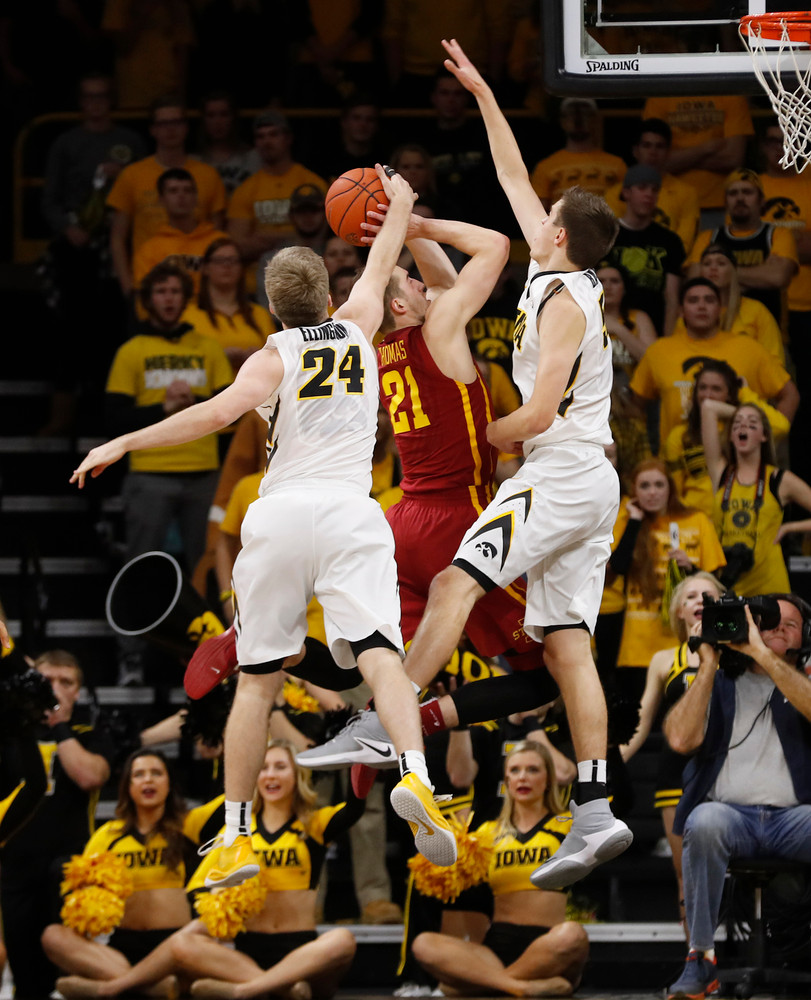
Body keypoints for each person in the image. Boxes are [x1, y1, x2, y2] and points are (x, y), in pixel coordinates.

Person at [70, 165, 457, 883]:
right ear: (327, 295)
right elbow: (381, 254)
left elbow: (212, 415)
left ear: (272, 309)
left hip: (278, 514)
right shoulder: (359, 321)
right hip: (351, 509)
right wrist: (397, 195)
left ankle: (239, 835)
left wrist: (122, 442)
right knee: (380, 658)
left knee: (256, 681)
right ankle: (417, 779)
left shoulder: (270, 356)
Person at [333, 37, 630, 892]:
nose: (530, 208)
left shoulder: (571, 299)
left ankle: (384, 728)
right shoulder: (549, 267)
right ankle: (598, 810)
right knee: (568, 646)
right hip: (574, 479)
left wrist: (475, 436)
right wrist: (483, 92)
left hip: (560, 469)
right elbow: (509, 173)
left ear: (560, 235)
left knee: (461, 580)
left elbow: (537, 416)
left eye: (545, 212)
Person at [663, 595, 811, 1000]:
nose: (780, 629)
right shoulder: (717, 680)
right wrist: (708, 664)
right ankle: (701, 960)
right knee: (704, 821)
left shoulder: (806, 678)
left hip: (796, 820)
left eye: (791, 625)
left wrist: (765, 657)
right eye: (771, 624)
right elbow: (680, 738)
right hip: (731, 818)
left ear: (806, 636)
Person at [176, 740, 362, 999]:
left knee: (343, 940)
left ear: (297, 776)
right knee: (184, 942)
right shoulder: (237, 834)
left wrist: (361, 751)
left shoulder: (315, 825)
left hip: (301, 952)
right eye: (263, 768)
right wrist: (221, 896)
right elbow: (200, 889)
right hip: (248, 952)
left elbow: (355, 808)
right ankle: (281, 988)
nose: (271, 774)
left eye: (280, 767)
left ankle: (245, 991)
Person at [411, 741, 589, 998]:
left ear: (549, 779)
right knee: (424, 944)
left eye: (533, 770)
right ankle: (520, 987)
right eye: (515, 770)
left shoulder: (568, 825)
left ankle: (481, 986)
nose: (523, 777)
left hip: (549, 945)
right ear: (506, 780)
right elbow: (450, 887)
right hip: (495, 949)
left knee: (574, 935)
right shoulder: (486, 834)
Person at [0, 650, 114, 999]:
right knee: (24, 968)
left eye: (66, 682)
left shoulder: (89, 734)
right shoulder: (12, 735)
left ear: (78, 692)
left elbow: (89, 776)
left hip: (69, 867)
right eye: (47, 680)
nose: (56, 688)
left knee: (66, 971)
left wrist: (58, 725)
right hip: (16, 865)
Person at [42, 749, 195, 998]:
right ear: (128, 786)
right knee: (53, 935)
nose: (148, 780)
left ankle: (120, 986)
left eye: (156, 773)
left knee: (193, 948)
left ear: (169, 784)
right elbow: (80, 898)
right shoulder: (108, 836)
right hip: (120, 948)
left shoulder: (190, 826)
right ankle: (148, 986)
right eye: (139, 775)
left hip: (174, 945)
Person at [619, 572, 725, 925]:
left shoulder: (740, 651)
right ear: (679, 611)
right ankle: (697, 968)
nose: (699, 602)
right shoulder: (665, 659)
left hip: (729, 771)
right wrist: (608, 764)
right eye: (690, 597)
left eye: (707, 595)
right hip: (676, 775)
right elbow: (641, 722)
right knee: (687, 878)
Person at [629, 277, 798, 453]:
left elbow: (790, 395)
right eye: (693, 300)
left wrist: (767, 440)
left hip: (737, 459)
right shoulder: (658, 351)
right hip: (679, 461)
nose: (701, 306)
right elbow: (636, 405)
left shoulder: (749, 348)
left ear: (720, 309)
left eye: (709, 300)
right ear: (681, 310)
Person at [609, 460, 726, 703]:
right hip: (637, 645)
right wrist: (634, 520)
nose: (652, 492)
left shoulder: (697, 520)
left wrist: (691, 568)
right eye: (644, 486)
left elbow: (716, 583)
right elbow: (617, 567)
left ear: (670, 489)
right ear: (635, 491)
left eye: (659, 485)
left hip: (686, 639)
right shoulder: (625, 517)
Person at [107, 97, 227, 298]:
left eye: (176, 122)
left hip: (200, 288)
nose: (170, 129)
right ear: (153, 129)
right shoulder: (132, 175)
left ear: (186, 127)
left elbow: (219, 238)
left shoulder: (208, 175)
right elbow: (118, 238)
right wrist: (129, 287)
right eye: (163, 123)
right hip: (148, 285)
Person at [701, 400, 811, 597]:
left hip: (770, 586)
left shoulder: (778, 479)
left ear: (764, 436)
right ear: (731, 437)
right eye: (737, 425)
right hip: (727, 583)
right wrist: (745, 414)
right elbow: (708, 407)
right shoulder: (721, 472)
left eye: (753, 425)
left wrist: (788, 528)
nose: (743, 427)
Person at [664, 360, 789, 518]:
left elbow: (781, 426)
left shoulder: (742, 430)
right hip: (698, 519)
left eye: (716, 389)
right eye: (702, 388)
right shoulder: (680, 435)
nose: (707, 395)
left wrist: (744, 394)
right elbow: (675, 492)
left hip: (740, 516)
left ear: (730, 394)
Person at [685, 169, 799, 328]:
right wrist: (760, 274)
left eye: (747, 192)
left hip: (767, 331)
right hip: (718, 331)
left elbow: (778, 277)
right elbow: (696, 280)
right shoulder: (708, 237)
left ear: (761, 201)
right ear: (725, 202)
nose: (739, 198)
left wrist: (721, 274)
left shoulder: (778, 235)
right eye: (733, 193)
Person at [226, 111, 327, 267]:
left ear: (288, 139)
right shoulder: (244, 190)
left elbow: (320, 241)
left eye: (273, 134)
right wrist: (294, 236)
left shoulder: (313, 184)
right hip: (258, 279)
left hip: (308, 272)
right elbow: (237, 247)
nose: (267, 141)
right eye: (261, 136)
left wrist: (265, 237)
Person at [603, 164, 686, 336]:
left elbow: (672, 298)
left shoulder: (670, 240)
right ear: (626, 193)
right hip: (607, 326)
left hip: (655, 327)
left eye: (654, 190)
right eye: (641, 188)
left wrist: (667, 343)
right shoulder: (605, 235)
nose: (649, 194)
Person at [641, 95, 753, 220]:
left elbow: (733, 158)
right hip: (667, 204)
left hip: (720, 206)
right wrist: (706, 148)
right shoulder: (660, 97)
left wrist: (680, 159)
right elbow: (653, 163)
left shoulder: (731, 96)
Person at [603, 118, 700, 255]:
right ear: (635, 151)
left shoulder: (687, 193)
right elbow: (611, 238)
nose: (653, 152)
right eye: (647, 145)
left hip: (669, 262)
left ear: (669, 152)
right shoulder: (615, 193)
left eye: (659, 146)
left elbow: (684, 244)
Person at [677, 243, 785, 363]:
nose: (713, 268)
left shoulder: (757, 311)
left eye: (721, 263)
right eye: (707, 264)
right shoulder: (691, 313)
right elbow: (677, 356)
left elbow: (775, 362)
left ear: (734, 271)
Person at [183, 238, 275, 374]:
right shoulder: (187, 315)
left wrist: (259, 357)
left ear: (241, 268)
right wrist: (219, 358)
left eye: (233, 260)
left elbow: (278, 360)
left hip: (255, 389)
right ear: (206, 268)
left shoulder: (259, 314)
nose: (227, 266)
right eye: (219, 261)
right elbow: (180, 362)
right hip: (209, 392)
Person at [132, 168, 229, 292]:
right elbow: (145, 299)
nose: (181, 196)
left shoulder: (220, 242)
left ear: (196, 198)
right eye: (173, 191)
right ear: (161, 200)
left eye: (187, 191)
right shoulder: (149, 250)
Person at [530, 98, 627, 210]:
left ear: (595, 119)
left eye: (585, 113)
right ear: (562, 121)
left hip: (603, 225)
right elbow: (537, 212)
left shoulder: (617, 165)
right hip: (563, 226)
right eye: (571, 113)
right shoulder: (545, 167)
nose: (578, 118)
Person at [195, 91, 261, 195]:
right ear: (203, 120)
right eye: (211, 115)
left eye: (224, 114)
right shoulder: (194, 161)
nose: (218, 122)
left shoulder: (254, 158)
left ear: (233, 118)